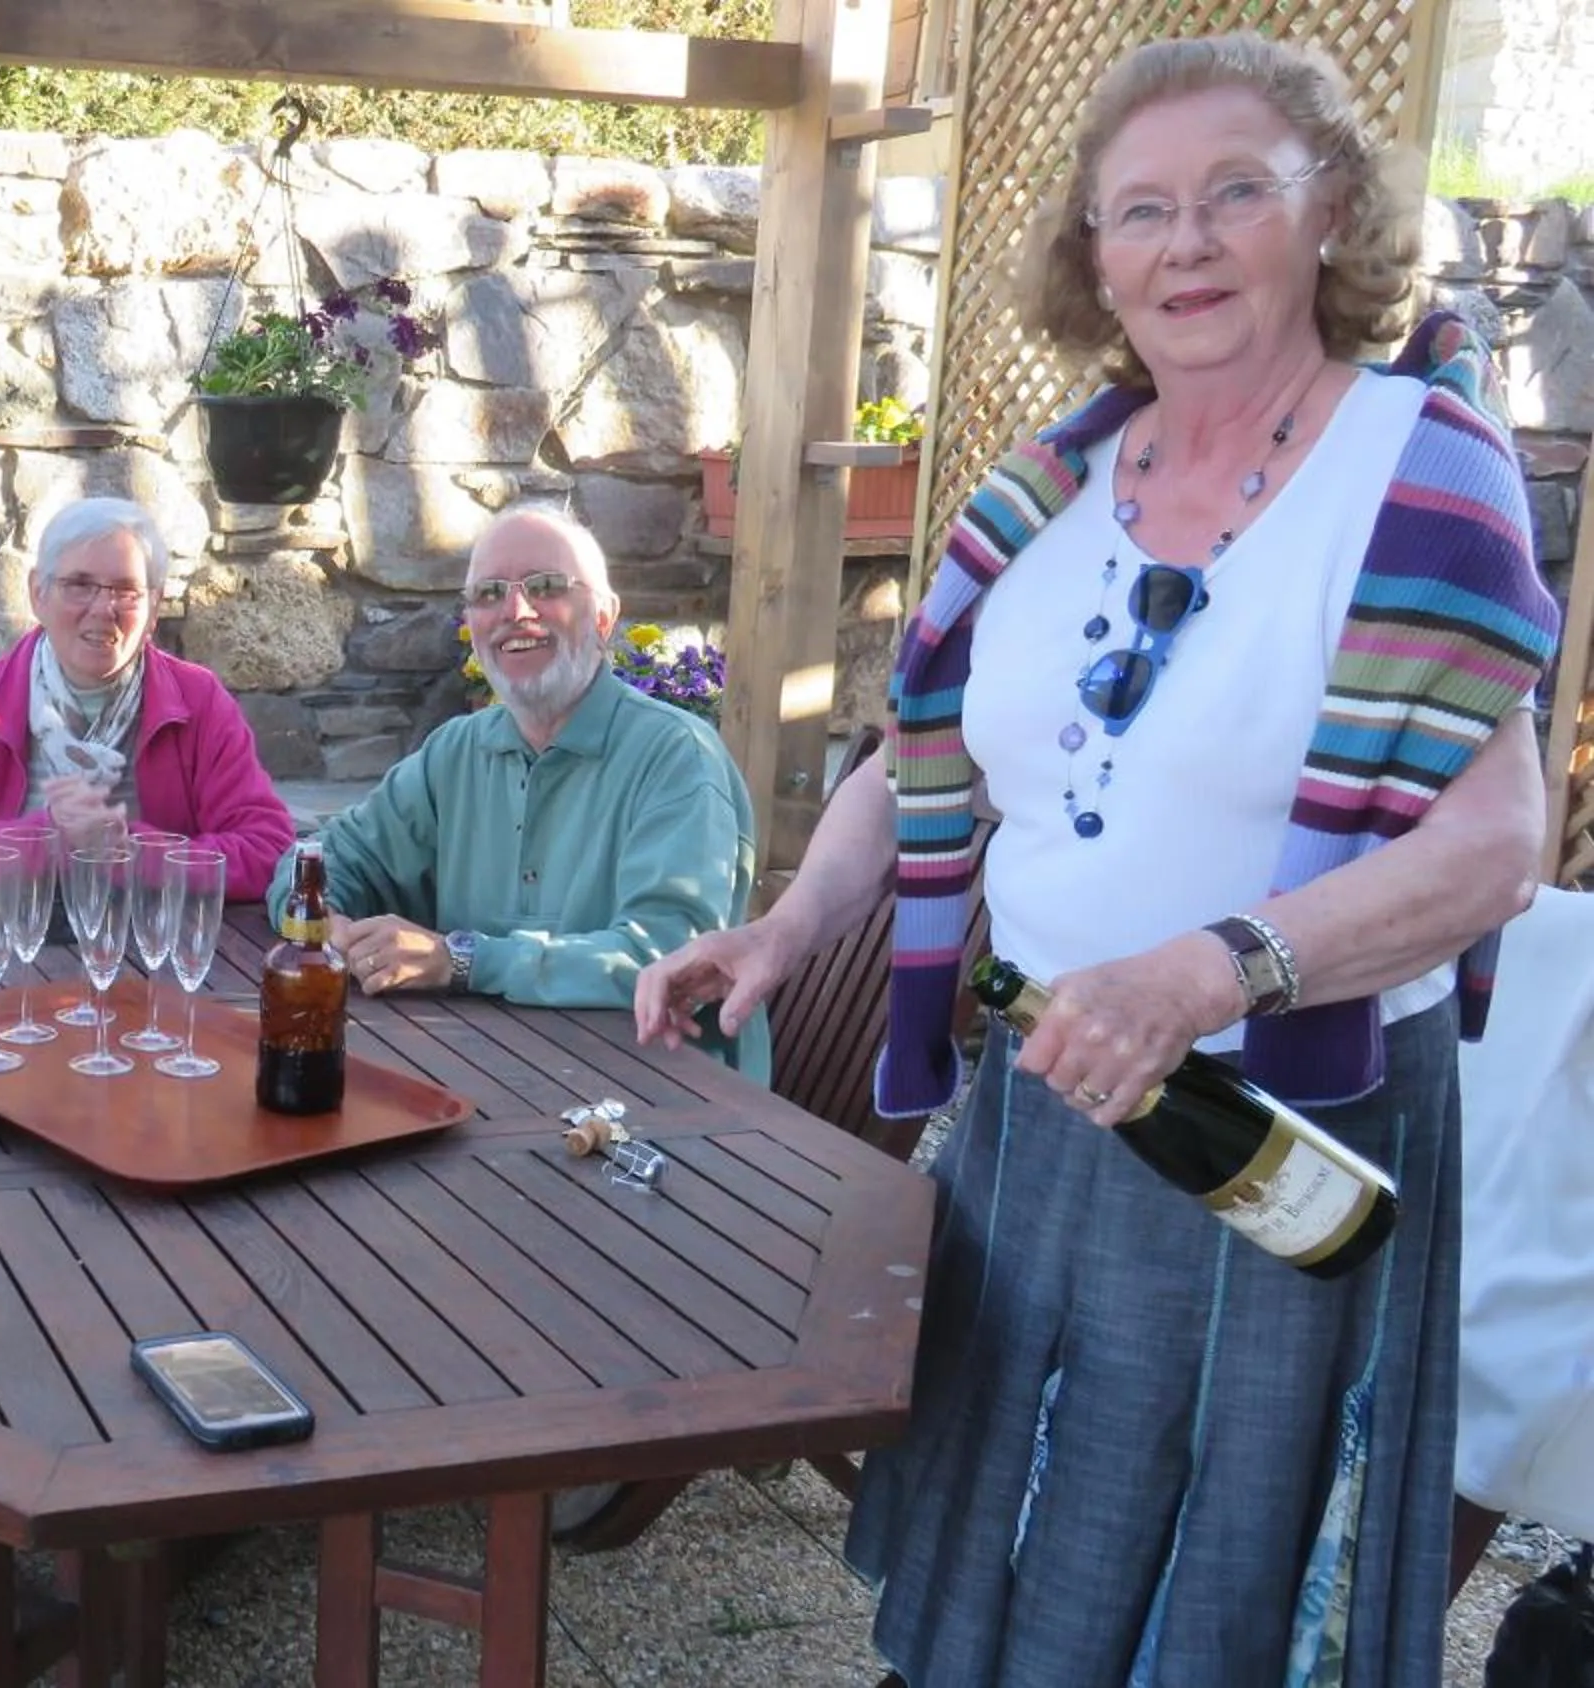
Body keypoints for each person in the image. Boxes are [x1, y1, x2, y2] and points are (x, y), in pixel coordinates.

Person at [633, 36, 1559, 1687]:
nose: (1184, 243)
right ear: (1093, 257)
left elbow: (1498, 841)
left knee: (1225, 1592)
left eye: (1234, 195)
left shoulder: (1417, 468)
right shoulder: (1045, 487)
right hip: (1047, 1098)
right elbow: (929, 766)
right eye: (1140, 210)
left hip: (1278, 1120)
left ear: (1331, 216)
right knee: (1024, 1551)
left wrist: (1214, 966)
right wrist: (785, 927)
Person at [266, 506, 767, 1073]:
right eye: (489, 594)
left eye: (546, 587)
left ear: (603, 618)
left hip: (673, 1100)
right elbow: (316, 860)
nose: (516, 612)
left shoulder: (677, 758)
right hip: (496, 1070)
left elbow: (669, 959)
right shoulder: (454, 752)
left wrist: (461, 960)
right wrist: (325, 927)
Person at [0, 496, 294, 902]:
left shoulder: (199, 703)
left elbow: (270, 851)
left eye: (125, 590)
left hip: (151, 957)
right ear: (37, 593)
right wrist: (44, 841)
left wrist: (132, 854)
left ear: (155, 608)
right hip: (1, 951)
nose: (103, 609)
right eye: (79, 584)